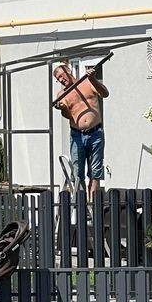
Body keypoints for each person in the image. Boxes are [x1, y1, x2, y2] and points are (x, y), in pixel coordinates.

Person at [52, 61, 109, 200]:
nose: (61, 80)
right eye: (58, 79)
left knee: (95, 172)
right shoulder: (62, 94)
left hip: (95, 133)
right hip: (77, 135)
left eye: (61, 75)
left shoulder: (87, 82)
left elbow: (105, 93)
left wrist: (93, 79)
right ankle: (82, 205)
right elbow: (68, 115)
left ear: (69, 71)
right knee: (78, 173)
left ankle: (93, 205)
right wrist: (62, 108)